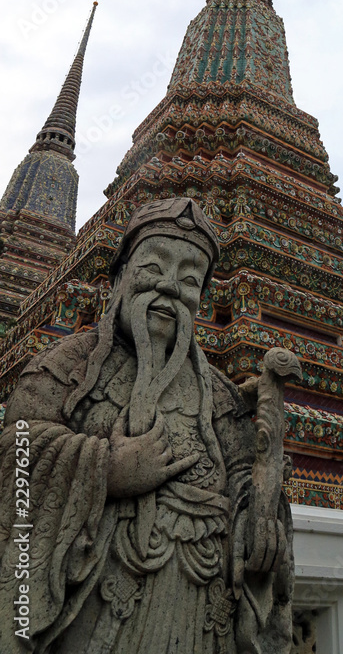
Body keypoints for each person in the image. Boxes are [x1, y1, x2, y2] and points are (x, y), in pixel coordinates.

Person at [0, 197, 299, 653]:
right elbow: (16, 455)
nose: (171, 289)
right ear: (120, 278)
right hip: (92, 606)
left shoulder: (218, 397)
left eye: (189, 280)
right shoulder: (67, 368)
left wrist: (260, 523)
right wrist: (106, 468)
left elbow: (245, 482)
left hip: (199, 615)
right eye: (153, 269)